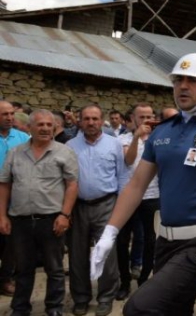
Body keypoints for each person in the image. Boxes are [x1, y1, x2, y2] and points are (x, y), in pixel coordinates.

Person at [90, 53, 196, 315]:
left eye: (193, 80)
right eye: (178, 79)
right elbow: (136, 186)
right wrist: (110, 232)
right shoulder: (162, 132)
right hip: (165, 241)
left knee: (139, 308)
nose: (183, 86)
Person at [0, 109, 79, 316]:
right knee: (23, 269)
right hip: (20, 220)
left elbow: (72, 185)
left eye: (48, 125)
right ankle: (20, 308)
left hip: (52, 220)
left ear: (54, 127)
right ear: (29, 128)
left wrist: (65, 215)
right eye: (40, 125)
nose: (45, 128)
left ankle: (54, 308)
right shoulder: (15, 152)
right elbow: (5, 185)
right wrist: (2, 215)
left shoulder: (64, 152)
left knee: (54, 269)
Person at [67, 104, 130, 316]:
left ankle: (106, 297)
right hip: (78, 207)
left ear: (101, 119)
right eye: (86, 119)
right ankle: (81, 298)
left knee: (107, 254)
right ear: (80, 121)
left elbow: (122, 175)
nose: (91, 123)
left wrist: (121, 206)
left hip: (107, 204)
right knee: (77, 255)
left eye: (95, 118)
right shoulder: (70, 145)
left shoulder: (114, 144)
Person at [114, 103, 161, 300]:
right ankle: (124, 281)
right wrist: (136, 137)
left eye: (149, 116)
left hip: (152, 196)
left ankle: (143, 279)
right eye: (141, 117)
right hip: (128, 196)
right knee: (122, 241)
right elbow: (129, 160)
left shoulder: (159, 139)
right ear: (133, 118)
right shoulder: (122, 139)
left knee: (151, 240)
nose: (145, 120)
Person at [0, 100, 30, 297]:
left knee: (11, 243)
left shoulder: (23, 138)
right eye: (5, 114)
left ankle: (5, 279)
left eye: (12, 114)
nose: (10, 118)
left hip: (15, 200)